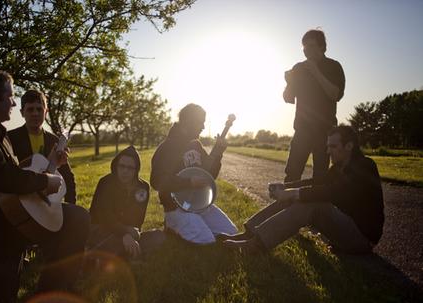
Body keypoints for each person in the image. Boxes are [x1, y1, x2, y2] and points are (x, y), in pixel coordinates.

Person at [0, 68, 91, 303]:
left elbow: (20, 180)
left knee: (76, 218)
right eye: (11, 96)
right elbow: (3, 178)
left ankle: (51, 292)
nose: (14, 103)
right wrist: (45, 180)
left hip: (9, 223)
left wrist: (53, 165)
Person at [223, 126, 384, 255]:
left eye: (333, 146)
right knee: (298, 197)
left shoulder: (365, 166)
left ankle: (256, 245)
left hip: (362, 239)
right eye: (327, 146)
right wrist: (286, 187)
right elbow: (316, 182)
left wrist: (294, 193)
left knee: (311, 203)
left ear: (349, 146)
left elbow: (333, 191)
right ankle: (249, 233)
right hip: (343, 230)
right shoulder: (338, 168)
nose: (328, 151)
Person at [150, 103, 238, 244]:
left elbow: (208, 175)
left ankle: (195, 222)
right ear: (188, 123)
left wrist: (218, 152)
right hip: (176, 208)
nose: (203, 127)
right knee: (207, 240)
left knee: (231, 233)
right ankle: (172, 226)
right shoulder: (167, 148)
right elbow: (156, 181)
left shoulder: (195, 145)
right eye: (200, 122)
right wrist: (188, 182)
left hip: (199, 204)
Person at [283, 29, 346, 182]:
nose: (306, 50)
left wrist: (315, 71)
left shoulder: (334, 66)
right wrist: (288, 82)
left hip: (325, 131)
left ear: (321, 46)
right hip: (302, 129)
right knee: (292, 173)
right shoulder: (298, 68)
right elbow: (288, 98)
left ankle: (317, 206)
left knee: (321, 177)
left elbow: (335, 94)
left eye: (311, 46)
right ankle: (287, 205)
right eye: (304, 46)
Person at [88, 146, 164, 260]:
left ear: (136, 170)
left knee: (159, 236)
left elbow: (138, 219)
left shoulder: (142, 187)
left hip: (128, 231)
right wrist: (124, 233)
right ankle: (123, 253)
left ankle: (119, 253)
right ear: (116, 165)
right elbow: (105, 217)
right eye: (122, 166)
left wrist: (130, 235)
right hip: (102, 229)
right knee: (110, 242)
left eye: (130, 168)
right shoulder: (105, 183)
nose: (125, 171)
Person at [8, 89, 76, 203]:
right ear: (22, 112)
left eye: (39, 109)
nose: (35, 113)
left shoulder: (54, 140)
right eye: (30, 109)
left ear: (46, 112)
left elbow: (68, 177)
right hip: (20, 203)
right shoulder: (10, 138)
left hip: (49, 203)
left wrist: (71, 204)